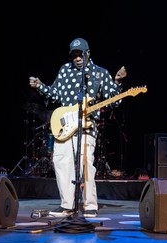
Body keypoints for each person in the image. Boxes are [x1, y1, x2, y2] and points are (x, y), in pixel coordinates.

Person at [29, 38, 127, 218]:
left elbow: (115, 101)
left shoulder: (99, 73)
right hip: (65, 124)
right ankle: (67, 205)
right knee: (60, 161)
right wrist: (40, 86)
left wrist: (118, 83)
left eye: (80, 54)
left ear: (88, 53)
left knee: (85, 164)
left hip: (87, 125)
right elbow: (54, 93)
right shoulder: (65, 70)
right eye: (74, 55)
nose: (77, 58)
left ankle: (90, 204)